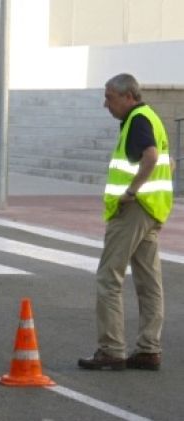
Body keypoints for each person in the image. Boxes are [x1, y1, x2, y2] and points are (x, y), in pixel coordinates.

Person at [78, 73, 173, 371]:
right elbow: (168, 162)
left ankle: (112, 349)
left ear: (128, 96)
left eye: (110, 97)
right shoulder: (151, 118)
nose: (106, 104)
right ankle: (148, 348)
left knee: (109, 277)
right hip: (152, 209)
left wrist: (131, 191)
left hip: (134, 208)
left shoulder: (139, 120)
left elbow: (152, 156)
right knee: (148, 281)